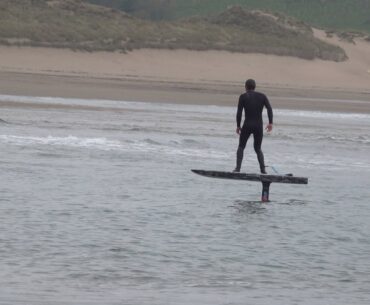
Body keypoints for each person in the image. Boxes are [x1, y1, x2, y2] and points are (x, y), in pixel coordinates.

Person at [233, 79, 273, 174]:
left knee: (241, 146)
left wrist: (238, 125)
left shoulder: (243, 96)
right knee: (258, 148)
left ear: (246, 87)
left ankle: (238, 169)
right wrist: (270, 122)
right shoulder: (262, 96)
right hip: (258, 126)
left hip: (247, 124)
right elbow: (269, 109)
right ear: (254, 87)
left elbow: (239, 112)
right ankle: (263, 170)